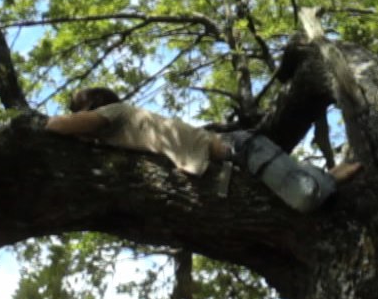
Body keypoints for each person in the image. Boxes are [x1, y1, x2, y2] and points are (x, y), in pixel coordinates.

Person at [45, 87, 360, 212]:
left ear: (92, 106)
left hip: (240, 149)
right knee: (293, 195)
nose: (77, 116)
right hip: (237, 164)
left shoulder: (116, 113)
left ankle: (328, 175)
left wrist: (57, 122)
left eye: (79, 110)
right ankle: (317, 174)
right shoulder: (119, 137)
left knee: (306, 198)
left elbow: (55, 127)